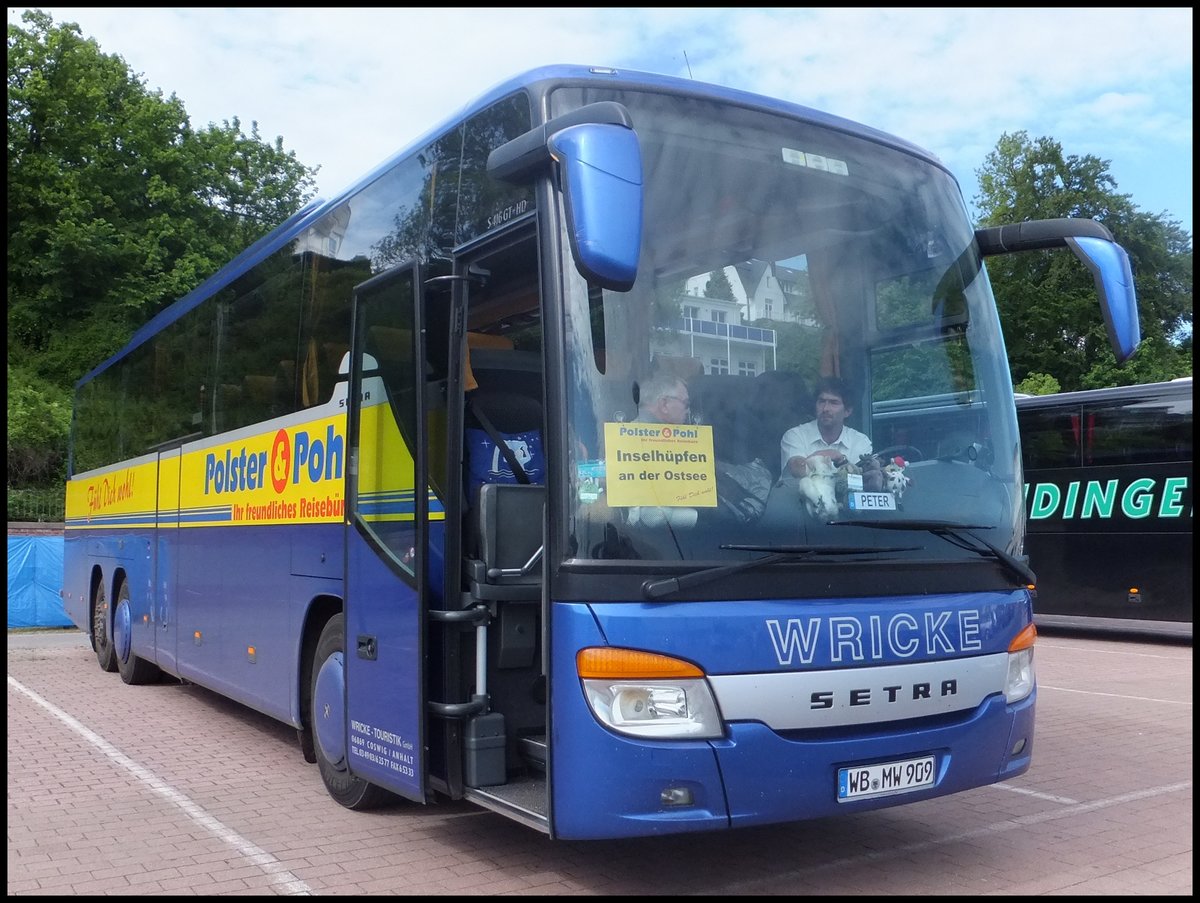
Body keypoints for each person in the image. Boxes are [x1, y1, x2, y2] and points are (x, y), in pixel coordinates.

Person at [780, 375, 872, 478]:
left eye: (834, 403)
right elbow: (797, 471)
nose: (825, 408)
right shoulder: (795, 435)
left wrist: (841, 460)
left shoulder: (860, 441)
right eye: (822, 401)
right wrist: (827, 455)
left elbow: (860, 483)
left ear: (847, 411)